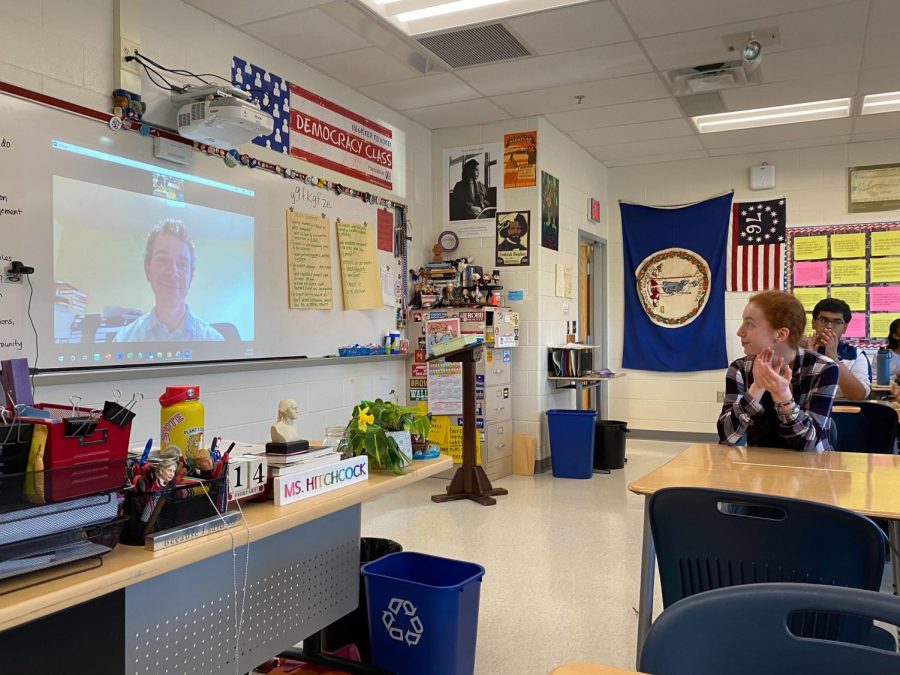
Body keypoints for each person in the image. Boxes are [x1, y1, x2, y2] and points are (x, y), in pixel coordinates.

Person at [718, 290, 839, 451]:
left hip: (812, 470)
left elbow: (808, 445)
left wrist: (783, 397)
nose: (740, 332)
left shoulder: (824, 368)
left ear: (781, 334)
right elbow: (727, 437)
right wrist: (757, 388)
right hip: (759, 468)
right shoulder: (739, 368)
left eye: (750, 324)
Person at [114, 219, 224, 342]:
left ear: (191, 276)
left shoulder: (215, 341)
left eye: (181, 264)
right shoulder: (123, 340)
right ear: (147, 269)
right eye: (162, 260)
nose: (173, 272)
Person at [799, 298, 870, 400]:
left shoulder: (855, 355)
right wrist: (808, 363)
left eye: (836, 322)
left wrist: (834, 359)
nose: (829, 326)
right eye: (823, 320)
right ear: (813, 323)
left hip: (841, 412)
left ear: (845, 328)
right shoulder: (799, 350)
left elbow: (858, 396)